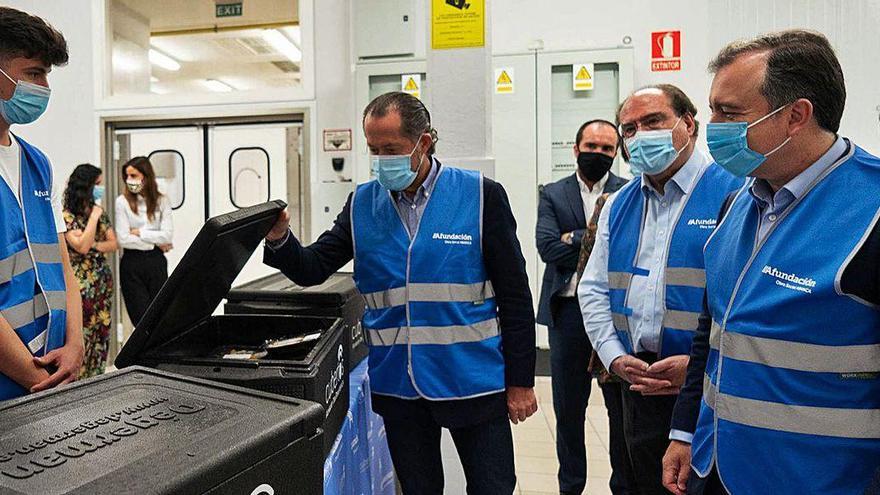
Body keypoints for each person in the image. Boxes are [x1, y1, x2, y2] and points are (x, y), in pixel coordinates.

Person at [263, 91, 537, 494]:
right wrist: (279, 237)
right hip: (398, 385)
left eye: (391, 149)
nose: (381, 160)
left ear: (424, 142)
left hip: (472, 379)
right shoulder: (361, 203)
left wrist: (521, 382)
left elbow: (515, 295)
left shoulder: (480, 195)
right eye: (373, 150)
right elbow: (313, 267)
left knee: (492, 487)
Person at [662, 29, 880, 495]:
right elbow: (713, 331)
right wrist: (684, 431)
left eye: (729, 112)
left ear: (796, 115)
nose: (713, 125)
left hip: (824, 478)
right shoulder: (738, 201)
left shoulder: (873, 209)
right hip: (718, 465)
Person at [578, 84, 743, 494]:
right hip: (636, 383)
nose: (640, 135)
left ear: (688, 124)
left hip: (709, 390)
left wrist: (698, 367)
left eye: (653, 121)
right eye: (629, 129)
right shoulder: (619, 203)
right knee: (636, 483)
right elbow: (593, 288)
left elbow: (748, 302)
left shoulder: (738, 192)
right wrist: (614, 357)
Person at [535, 119, 632, 495]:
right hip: (568, 314)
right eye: (591, 146)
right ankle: (570, 487)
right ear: (576, 149)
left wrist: (575, 237)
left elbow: (626, 251)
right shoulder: (553, 193)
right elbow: (547, 247)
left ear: (616, 153)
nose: (598, 154)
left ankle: (623, 486)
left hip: (614, 316)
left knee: (619, 411)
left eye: (607, 149)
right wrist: (598, 241)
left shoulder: (627, 193)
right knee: (569, 412)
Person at [0, 6, 83, 400]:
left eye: (47, 75)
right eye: (33, 73)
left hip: (50, 374)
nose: (44, 87)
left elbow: (61, 262)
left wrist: (76, 344)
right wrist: (40, 382)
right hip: (18, 382)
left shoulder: (36, 163)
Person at [62, 164, 117, 378]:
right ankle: (79, 379)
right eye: (98, 184)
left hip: (101, 282)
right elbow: (81, 246)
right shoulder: (67, 216)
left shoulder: (99, 213)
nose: (100, 189)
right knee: (83, 332)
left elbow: (113, 244)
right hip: (81, 285)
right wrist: (93, 218)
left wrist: (94, 244)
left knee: (100, 332)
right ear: (86, 186)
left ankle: (96, 377)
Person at [115, 156, 173, 327]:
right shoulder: (122, 202)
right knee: (140, 319)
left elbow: (167, 236)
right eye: (127, 176)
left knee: (159, 315)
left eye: (133, 175)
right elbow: (123, 239)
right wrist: (153, 241)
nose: (129, 180)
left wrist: (139, 232)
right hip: (132, 263)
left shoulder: (162, 200)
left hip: (156, 262)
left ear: (146, 176)